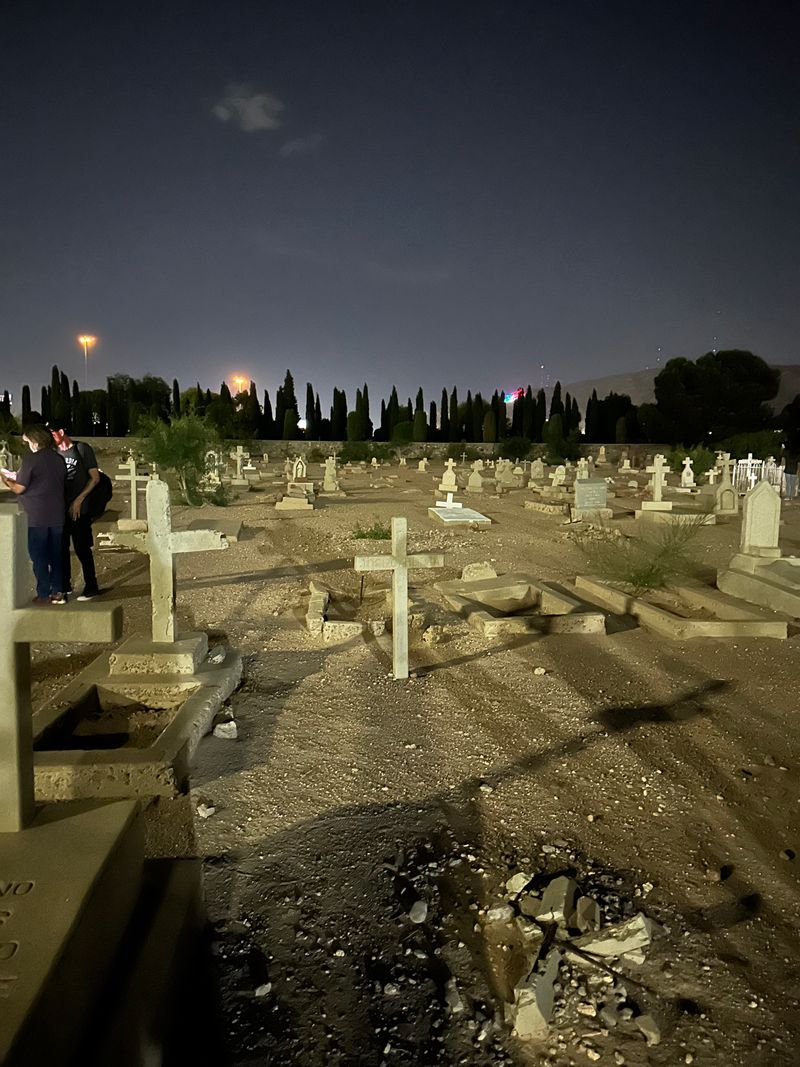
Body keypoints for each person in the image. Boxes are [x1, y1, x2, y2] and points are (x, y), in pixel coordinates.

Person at [0, 424, 67, 604]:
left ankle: (44, 593)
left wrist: (6, 480)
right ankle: (58, 591)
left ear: (35, 441)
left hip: (36, 516)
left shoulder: (31, 459)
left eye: (27, 441)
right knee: (56, 555)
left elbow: (20, 488)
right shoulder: (58, 459)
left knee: (39, 556)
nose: (26, 444)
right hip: (57, 515)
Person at [50, 424, 101, 601]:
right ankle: (64, 587)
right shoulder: (53, 452)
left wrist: (79, 500)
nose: (50, 437)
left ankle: (91, 586)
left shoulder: (81, 449)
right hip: (60, 509)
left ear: (61, 432)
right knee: (61, 549)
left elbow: (95, 477)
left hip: (81, 510)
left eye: (52, 433)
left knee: (82, 548)